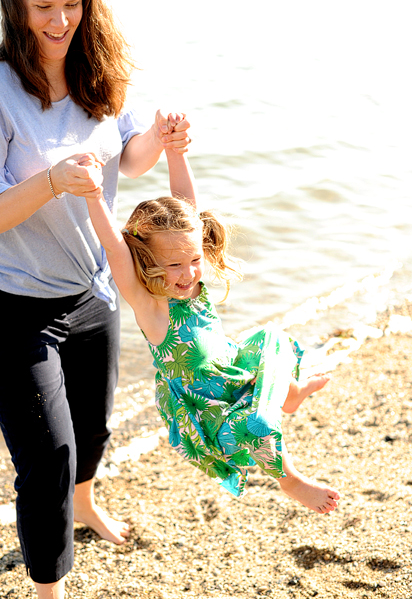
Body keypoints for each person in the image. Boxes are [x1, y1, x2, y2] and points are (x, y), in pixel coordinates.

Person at [0, 0, 191, 597]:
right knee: (48, 455)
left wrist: (161, 138)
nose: (60, 21)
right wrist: (53, 183)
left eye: (71, 3)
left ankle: (84, 503)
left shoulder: (101, 67)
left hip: (94, 289)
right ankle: (49, 588)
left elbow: (130, 158)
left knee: (92, 430)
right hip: (9, 304)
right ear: (16, 6)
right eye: (43, 8)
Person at [82, 142, 341, 515]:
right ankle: (292, 481)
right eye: (173, 266)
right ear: (147, 260)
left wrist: (175, 151)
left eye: (193, 260)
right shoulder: (151, 305)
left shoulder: (192, 284)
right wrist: (93, 194)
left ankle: (292, 392)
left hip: (236, 371)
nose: (187, 274)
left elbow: (186, 205)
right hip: (212, 414)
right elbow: (112, 243)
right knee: (257, 423)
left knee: (274, 338)